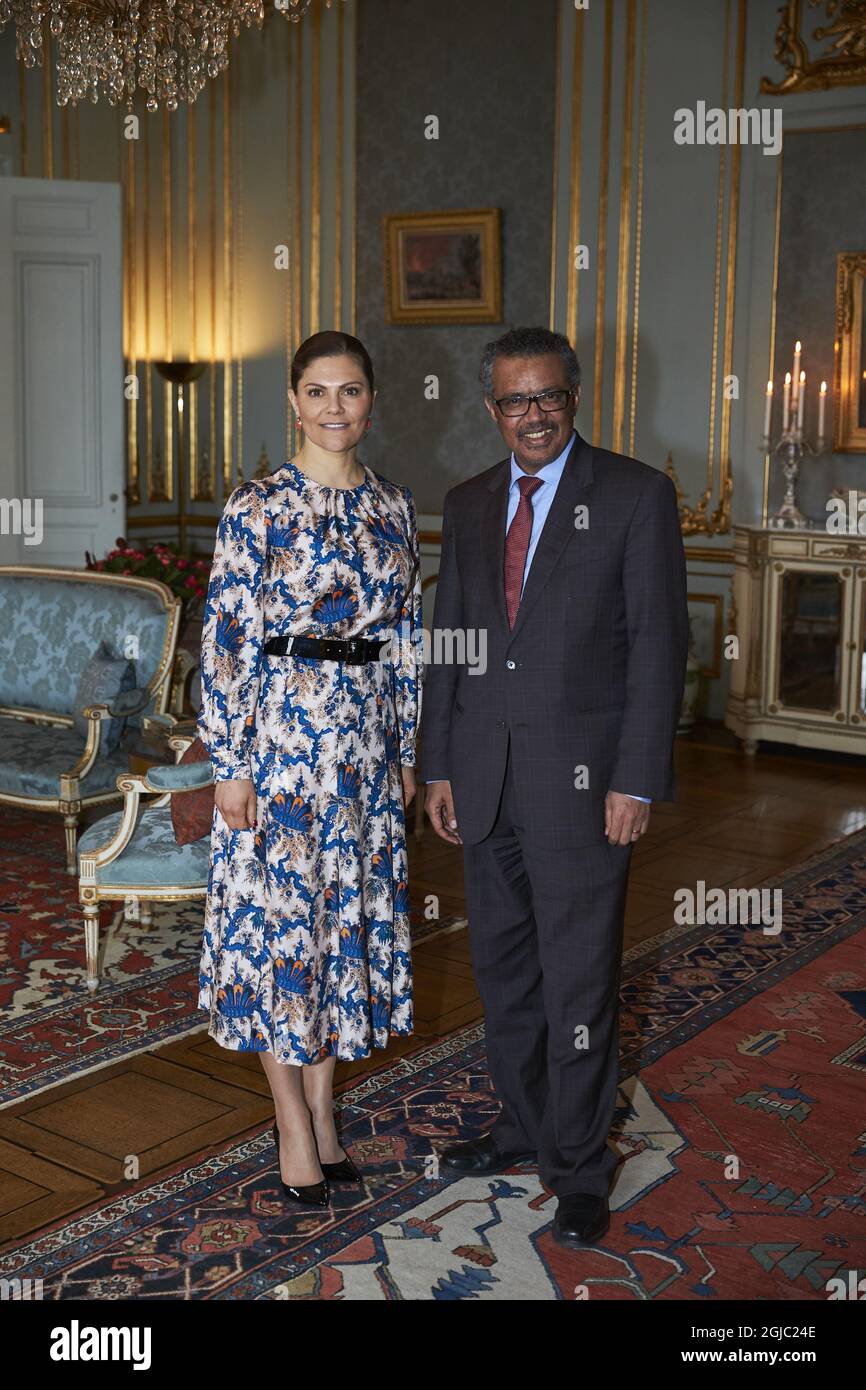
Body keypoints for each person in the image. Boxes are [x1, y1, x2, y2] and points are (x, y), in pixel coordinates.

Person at [421, 325, 688, 1246]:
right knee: (503, 971)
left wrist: (636, 779)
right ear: (490, 408)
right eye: (513, 401)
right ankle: (521, 1126)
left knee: (578, 980)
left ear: (576, 398)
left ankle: (579, 1169)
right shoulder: (466, 503)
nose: (531, 415)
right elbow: (449, 638)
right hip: (483, 779)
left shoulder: (634, 494)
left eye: (548, 398)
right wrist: (440, 762)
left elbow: (660, 645)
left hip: (584, 788)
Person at [197, 330, 422, 1207]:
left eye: (352, 391)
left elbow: (405, 640)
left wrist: (404, 751)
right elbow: (226, 644)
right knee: (283, 933)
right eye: (319, 392)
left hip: (365, 750)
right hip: (283, 745)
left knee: (342, 934)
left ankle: (326, 1113)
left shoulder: (396, 507)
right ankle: (290, 1119)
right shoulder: (255, 507)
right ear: (293, 402)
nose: (336, 408)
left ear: (372, 400)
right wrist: (230, 762)